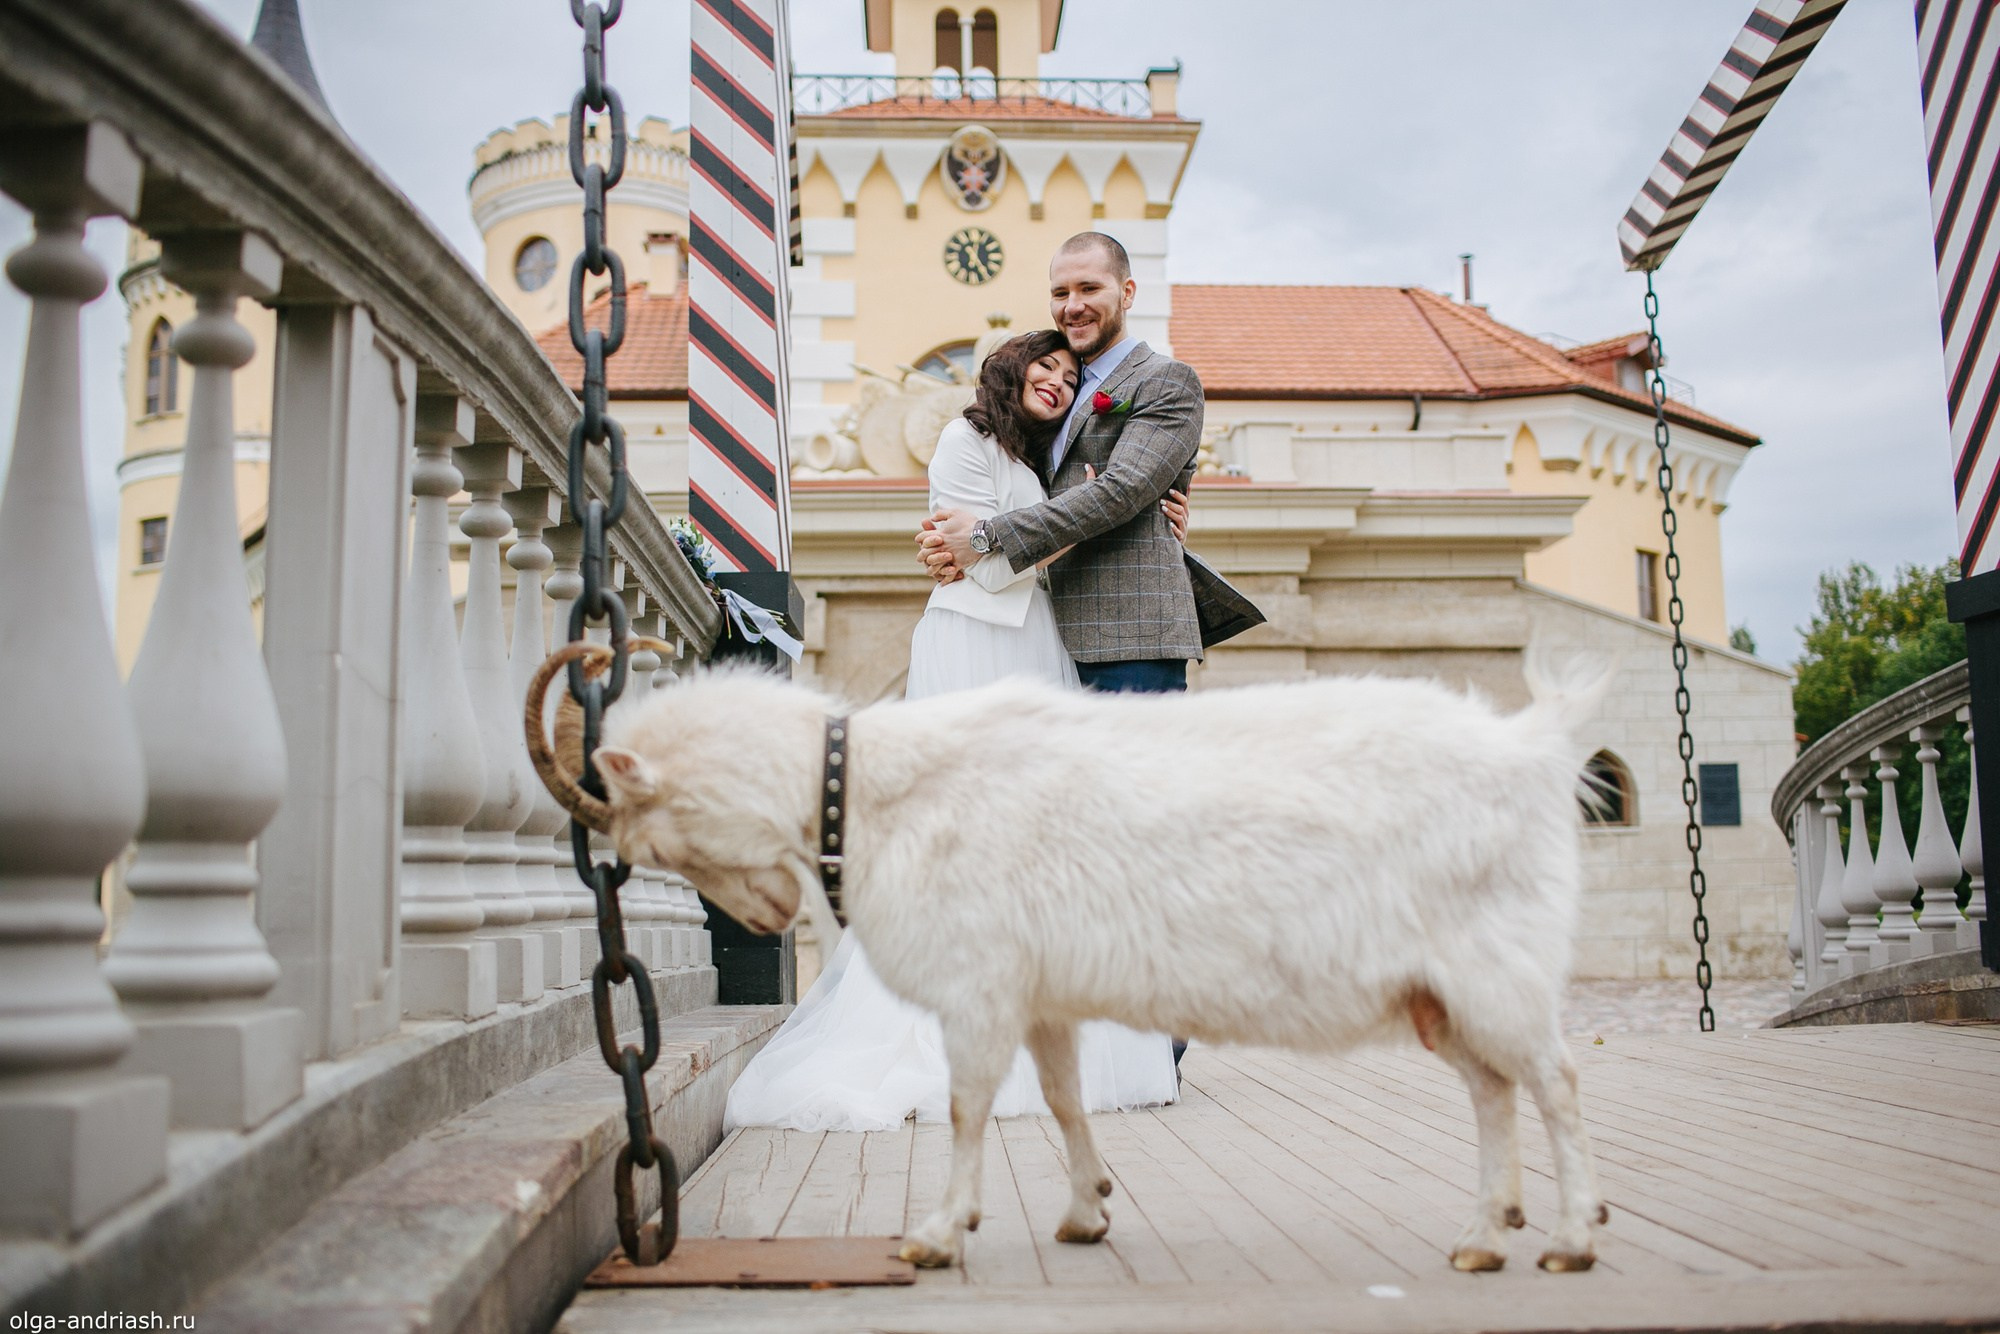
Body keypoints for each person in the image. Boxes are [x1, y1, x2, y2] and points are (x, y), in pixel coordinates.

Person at [723, 329, 1183, 1133]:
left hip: (1039, 639)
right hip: (975, 637)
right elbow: (989, 562)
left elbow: (1007, 540)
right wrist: (1080, 522)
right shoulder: (962, 438)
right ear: (1010, 371)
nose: (1057, 380)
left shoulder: (1045, 463)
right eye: (1044, 365)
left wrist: (1120, 512)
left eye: (1070, 374)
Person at [922, 231, 1238, 1073]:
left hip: (1132, 637)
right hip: (1049, 641)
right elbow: (1019, 493)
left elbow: (1129, 493)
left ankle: (1158, 1042)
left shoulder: (1163, 382)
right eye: (1060, 292)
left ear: (1127, 290)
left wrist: (986, 539)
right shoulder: (1050, 401)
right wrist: (963, 543)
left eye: (1090, 287)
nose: (1072, 306)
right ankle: (1104, 1039)